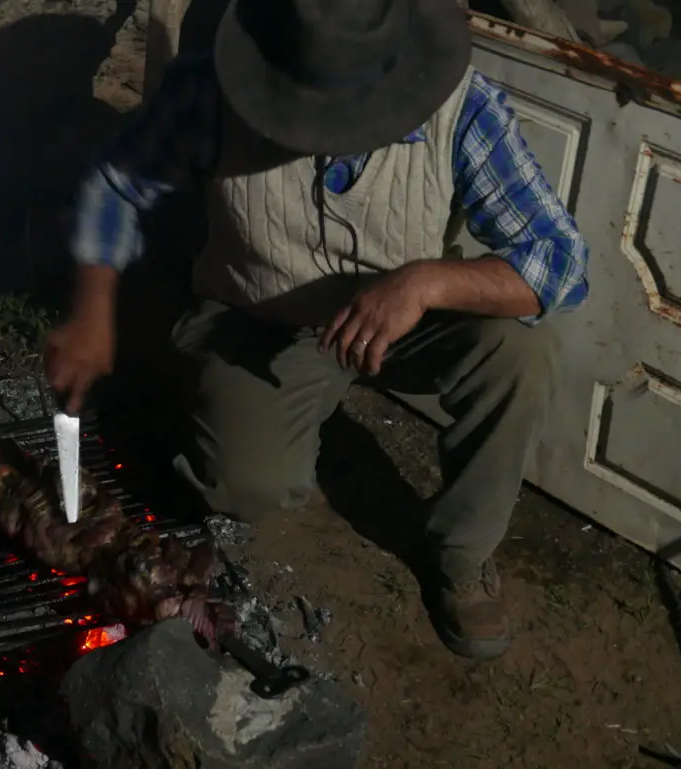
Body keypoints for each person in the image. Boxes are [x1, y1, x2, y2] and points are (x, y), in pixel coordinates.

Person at [45, 0, 590, 661]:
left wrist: (425, 283)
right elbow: (116, 185)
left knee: (521, 348)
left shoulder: (464, 109)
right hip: (258, 315)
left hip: (402, 318)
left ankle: (463, 554)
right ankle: (222, 406)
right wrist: (93, 310)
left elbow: (560, 261)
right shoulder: (209, 90)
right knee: (246, 486)